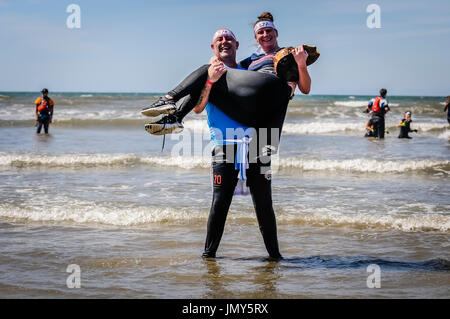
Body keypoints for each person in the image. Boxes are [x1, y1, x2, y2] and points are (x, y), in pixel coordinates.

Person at [143, 12, 312, 155]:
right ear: (255, 37)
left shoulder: (285, 55)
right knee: (210, 78)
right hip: (253, 114)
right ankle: (174, 118)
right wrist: (213, 64)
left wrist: (301, 64)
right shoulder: (250, 61)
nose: (265, 34)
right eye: (261, 32)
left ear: (276, 33)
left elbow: (305, 89)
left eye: (269, 30)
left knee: (207, 70)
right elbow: (231, 67)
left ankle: (169, 100)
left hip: (271, 93)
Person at [190, 27, 283, 260]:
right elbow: (198, 108)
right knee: (220, 203)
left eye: (228, 38)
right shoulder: (211, 72)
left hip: (258, 144)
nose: (224, 41)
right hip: (224, 143)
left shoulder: (250, 71)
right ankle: (208, 256)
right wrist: (210, 82)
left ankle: (275, 257)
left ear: (237, 45)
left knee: (264, 205)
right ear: (213, 47)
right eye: (219, 39)